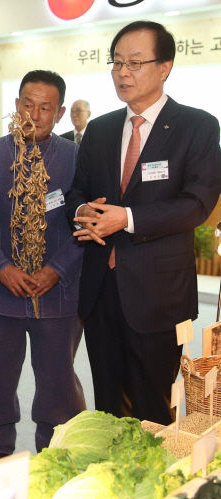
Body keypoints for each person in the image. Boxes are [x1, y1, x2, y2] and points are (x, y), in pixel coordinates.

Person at [65, 21, 221, 425]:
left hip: (158, 296)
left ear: (165, 66)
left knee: (153, 408)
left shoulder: (197, 126)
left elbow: (197, 204)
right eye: (117, 63)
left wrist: (128, 218)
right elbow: (76, 193)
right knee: (107, 408)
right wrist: (81, 213)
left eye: (135, 63)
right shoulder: (98, 130)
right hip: (101, 292)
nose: (122, 73)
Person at [0, 70, 86, 461]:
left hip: (60, 295)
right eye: (27, 105)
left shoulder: (74, 159)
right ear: (16, 106)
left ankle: (53, 454)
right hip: (1, 293)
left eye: (45, 107)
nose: (34, 115)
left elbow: (85, 223)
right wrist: (1, 267)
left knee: (58, 380)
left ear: (61, 112)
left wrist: (57, 269)